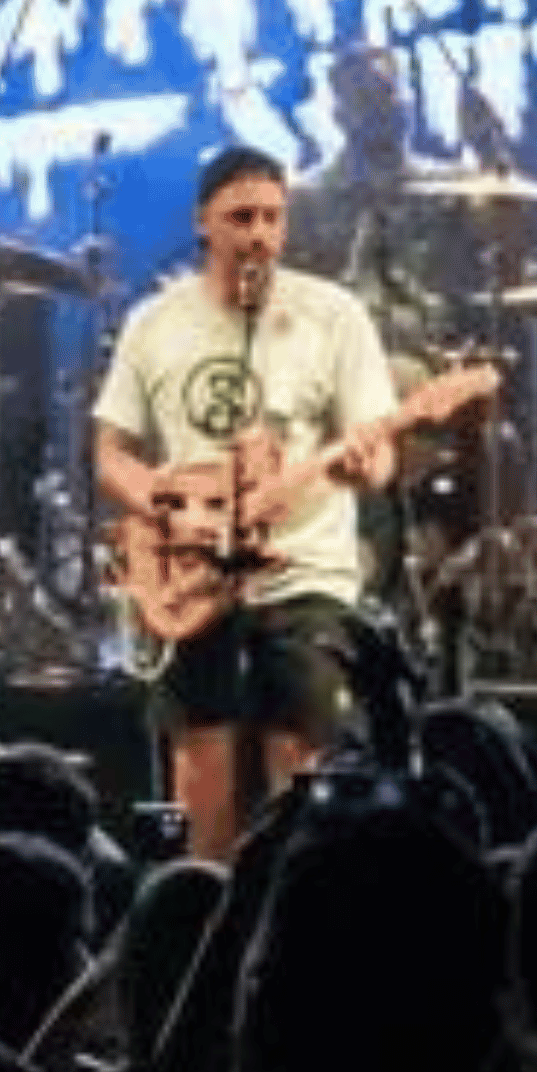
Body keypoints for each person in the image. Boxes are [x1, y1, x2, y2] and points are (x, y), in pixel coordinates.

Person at [94, 146, 407, 862]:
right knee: (200, 771)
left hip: (305, 574)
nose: (259, 233)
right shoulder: (153, 322)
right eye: (241, 217)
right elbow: (111, 452)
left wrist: (366, 465)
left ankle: (289, 934)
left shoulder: (335, 316)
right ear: (204, 222)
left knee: (301, 774)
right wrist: (174, 510)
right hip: (195, 579)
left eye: (272, 217)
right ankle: (201, 926)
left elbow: (381, 451)